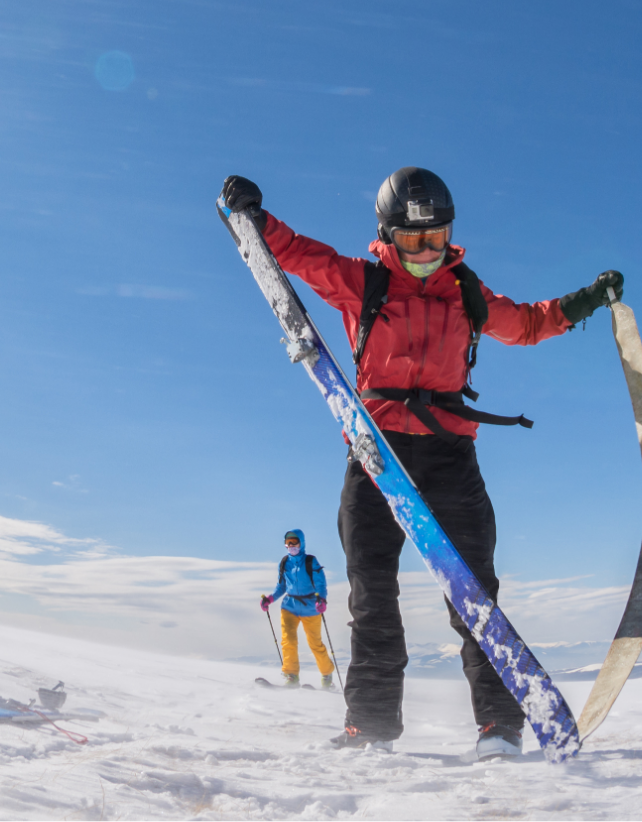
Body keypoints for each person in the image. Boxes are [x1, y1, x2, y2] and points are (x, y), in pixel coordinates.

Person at [221, 168, 621, 760]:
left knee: (474, 596)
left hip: (449, 457)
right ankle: (372, 725)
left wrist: (586, 300)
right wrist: (252, 219)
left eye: (436, 237)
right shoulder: (364, 282)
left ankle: (498, 728)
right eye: (411, 241)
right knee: (372, 596)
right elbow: (300, 256)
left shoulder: (466, 293)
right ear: (387, 235)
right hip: (375, 457)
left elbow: (530, 324)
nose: (426, 251)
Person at [260, 529, 336, 688]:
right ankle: (291, 676)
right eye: (288, 543)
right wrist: (270, 598)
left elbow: (320, 583)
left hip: (311, 607)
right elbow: (281, 586)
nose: (291, 545)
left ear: (301, 543)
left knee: (315, 643)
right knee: (288, 641)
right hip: (289, 606)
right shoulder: (284, 563)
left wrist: (321, 600)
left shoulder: (310, 561)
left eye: (294, 542)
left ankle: (327, 676)